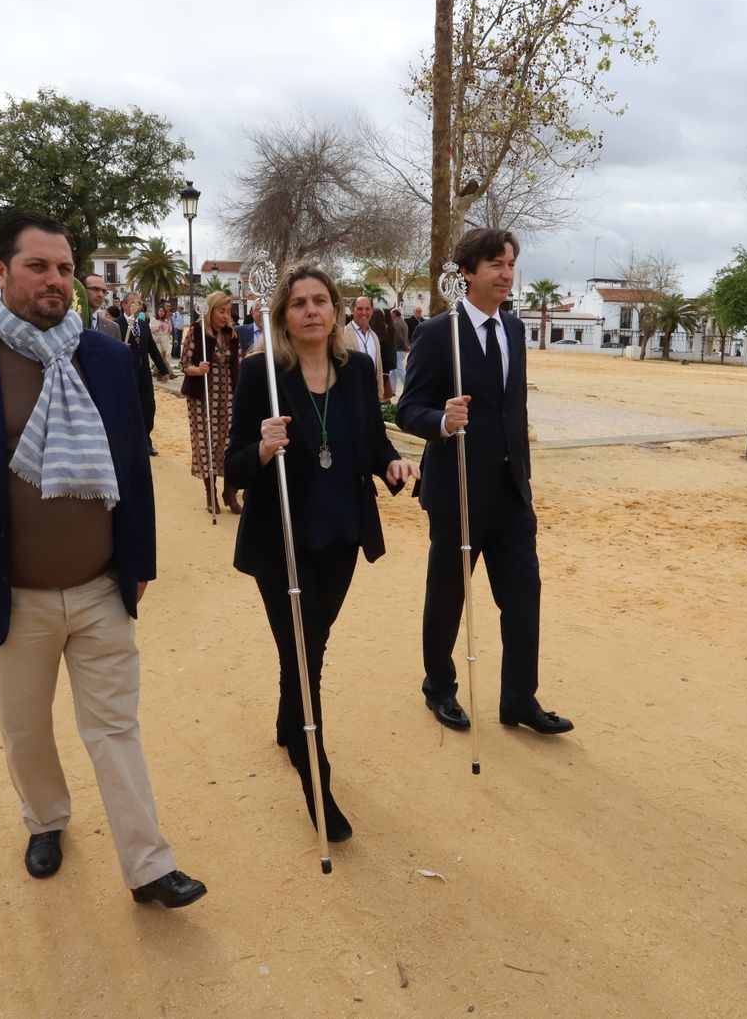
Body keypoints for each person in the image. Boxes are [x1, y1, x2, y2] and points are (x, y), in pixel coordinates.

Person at [0, 212, 204, 907]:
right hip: (10, 591)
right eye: (39, 266)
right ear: (0, 272)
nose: (55, 279)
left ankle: (147, 864)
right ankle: (46, 819)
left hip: (99, 587)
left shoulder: (107, 356)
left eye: (63, 267)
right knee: (25, 730)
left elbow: (133, 465)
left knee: (115, 728)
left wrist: (139, 560)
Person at [224, 263, 419, 842]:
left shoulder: (358, 370)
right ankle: (318, 782)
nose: (311, 310)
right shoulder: (261, 374)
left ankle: (289, 720)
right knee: (304, 651)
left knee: (311, 644)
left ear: (335, 310)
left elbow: (370, 441)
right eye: (298, 303)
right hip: (279, 539)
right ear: (283, 315)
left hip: (342, 534)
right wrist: (261, 448)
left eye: (320, 300)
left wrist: (390, 463)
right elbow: (231, 466)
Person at [397, 228, 572, 736]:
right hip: (458, 491)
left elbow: (510, 409)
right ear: (467, 273)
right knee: (449, 595)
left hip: (512, 491)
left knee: (523, 596)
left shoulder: (514, 330)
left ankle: (519, 700)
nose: (506, 273)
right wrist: (442, 421)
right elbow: (409, 409)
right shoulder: (437, 333)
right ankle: (439, 686)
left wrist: (523, 473)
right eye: (495, 264)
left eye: (511, 264)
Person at [181, 290, 242, 514]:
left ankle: (230, 491)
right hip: (203, 395)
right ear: (211, 310)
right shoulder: (196, 332)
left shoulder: (232, 335)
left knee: (227, 442)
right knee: (206, 442)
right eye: (222, 311)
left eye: (228, 311)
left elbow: (239, 362)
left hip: (227, 394)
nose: (226, 316)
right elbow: (184, 363)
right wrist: (198, 369)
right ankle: (211, 493)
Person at [118, 291, 172, 456]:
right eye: (134, 302)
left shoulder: (143, 325)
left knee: (149, 408)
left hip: (144, 375)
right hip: (125, 376)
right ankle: (127, 442)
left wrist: (164, 370)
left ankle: (146, 441)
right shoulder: (115, 325)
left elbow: (152, 350)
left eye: (139, 303)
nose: (137, 305)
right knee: (127, 410)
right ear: (124, 305)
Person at [342, 296, 383, 400]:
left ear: (372, 311)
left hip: (372, 395)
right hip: (350, 395)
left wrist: (380, 394)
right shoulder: (342, 334)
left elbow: (378, 368)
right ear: (352, 310)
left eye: (367, 309)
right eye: (360, 309)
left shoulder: (374, 336)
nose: (364, 313)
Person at [389, 306, 410, 392]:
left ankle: (408, 386)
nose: (390, 315)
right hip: (401, 349)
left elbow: (399, 337)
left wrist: (404, 346)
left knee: (399, 369)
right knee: (394, 370)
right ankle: (393, 390)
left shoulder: (396, 323)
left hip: (398, 348)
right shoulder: (402, 322)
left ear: (394, 314)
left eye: (391, 314)